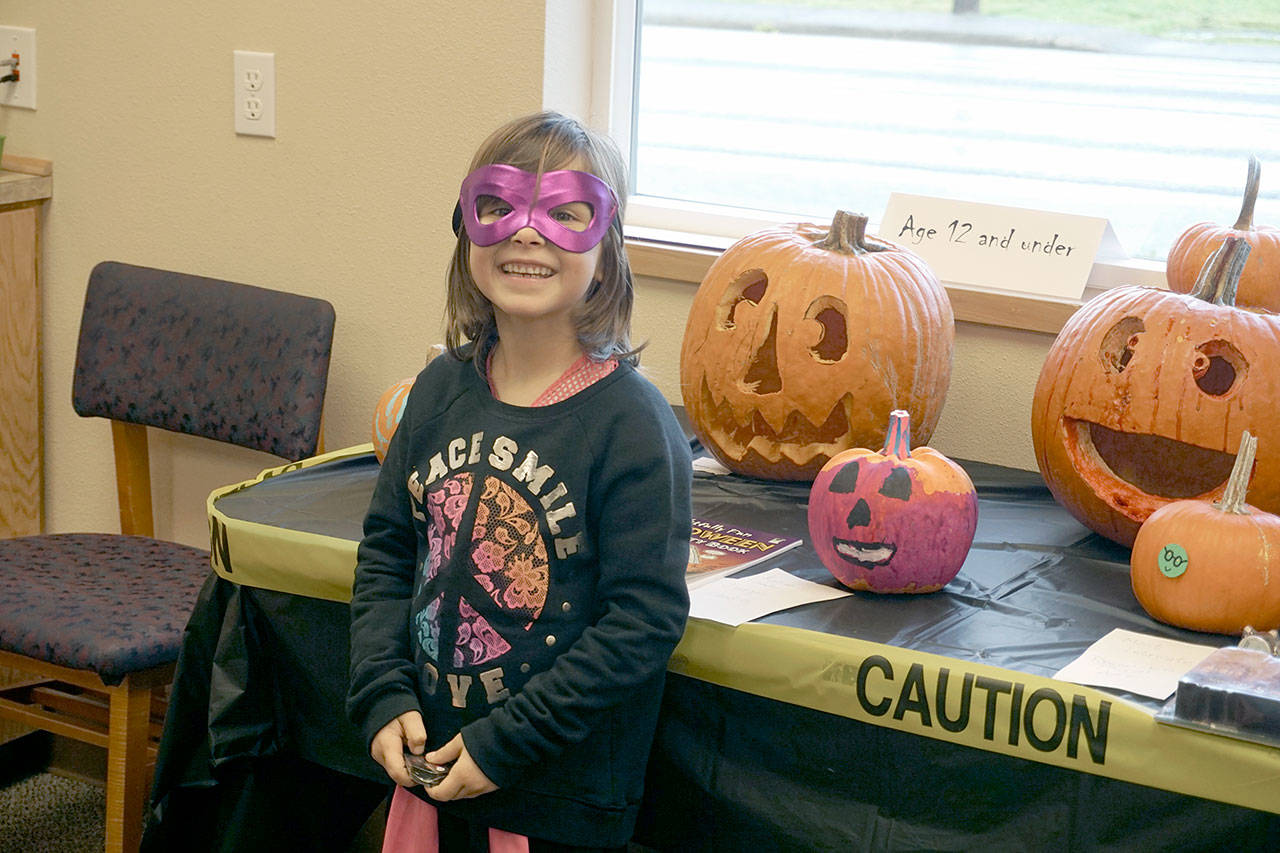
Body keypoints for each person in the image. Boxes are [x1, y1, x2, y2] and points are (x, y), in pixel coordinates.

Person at [347, 110, 693, 853]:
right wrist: (381, 691)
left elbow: (642, 621)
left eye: (565, 214)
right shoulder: (437, 391)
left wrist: (507, 742)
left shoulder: (632, 424)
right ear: (466, 228)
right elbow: (387, 550)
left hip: (551, 795)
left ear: (607, 246)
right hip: (432, 773)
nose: (526, 233)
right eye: (498, 206)